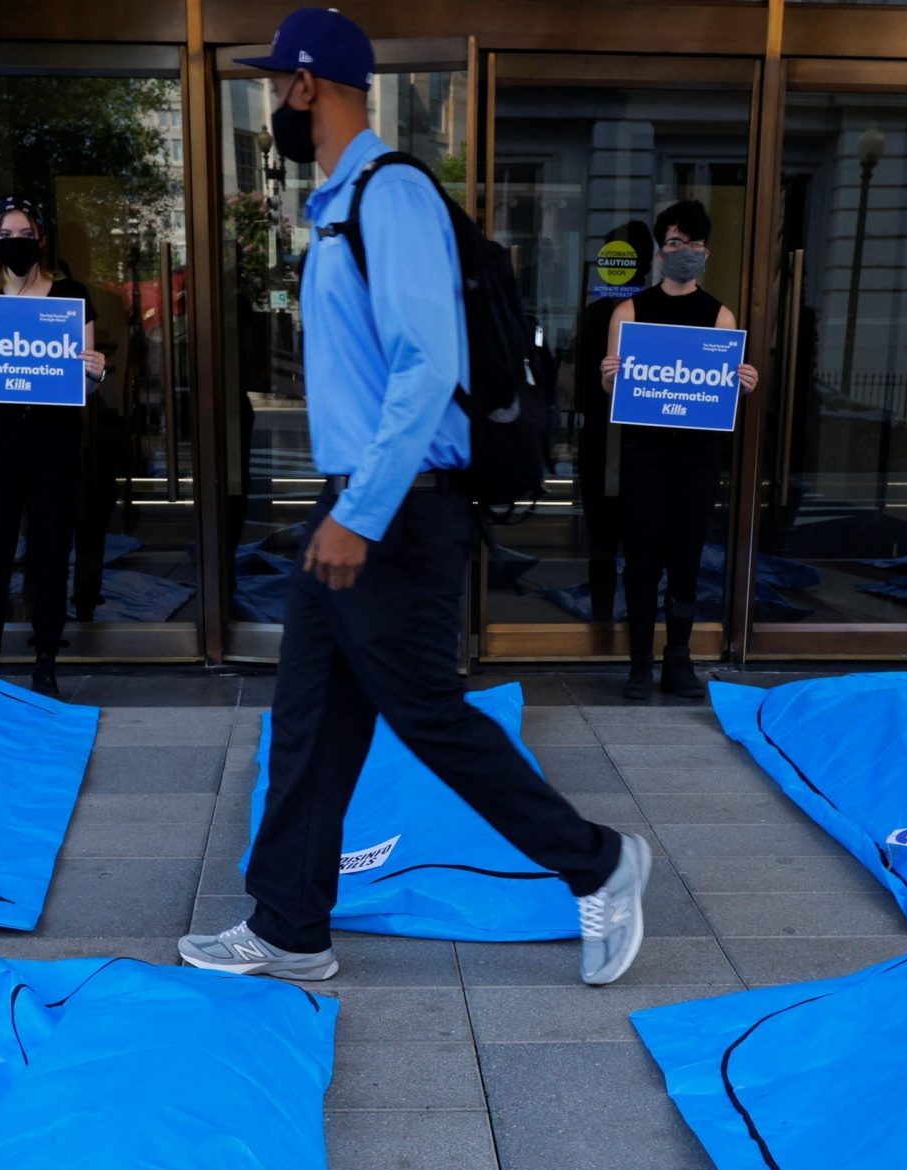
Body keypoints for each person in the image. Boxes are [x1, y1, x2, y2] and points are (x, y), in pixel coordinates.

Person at [179, 6, 651, 988]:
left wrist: (360, 515)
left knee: (428, 717)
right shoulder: (342, 203)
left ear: (309, 85)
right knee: (310, 719)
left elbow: (425, 364)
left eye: (277, 85)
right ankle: (289, 926)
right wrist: (343, 507)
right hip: (353, 502)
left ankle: (599, 863)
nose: (272, 102)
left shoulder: (389, 197)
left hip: (395, 512)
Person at [0, 195, 108, 698]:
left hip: (54, 440)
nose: (16, 242)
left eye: (25, 234)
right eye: (7, 235)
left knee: (51, 549)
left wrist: (95, 375)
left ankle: (46, 655)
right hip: (1, 439)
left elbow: (82, 383)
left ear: (41, 238)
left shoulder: (71, 296)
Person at [602, 202, 758, 700]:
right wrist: (610, 380)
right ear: (659, 251)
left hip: (696, 458)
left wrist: (742, 382)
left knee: (687, 559)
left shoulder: (720, 315)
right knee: (643, 558)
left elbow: (720, 389)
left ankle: (679, 662)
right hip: (644, 455)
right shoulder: (629, 311)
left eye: (691, 244)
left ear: (705, 253)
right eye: (673, 243)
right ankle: (640, 664)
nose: (683, 252)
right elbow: (615, 389)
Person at [573, 221, 652, 629]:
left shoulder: (594, 313)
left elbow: (578, 383)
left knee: (602, 538)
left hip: (604, 435)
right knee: (638, 540)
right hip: (633, 439)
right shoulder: (650, 313)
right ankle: (632, 624)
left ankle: (603, 618)